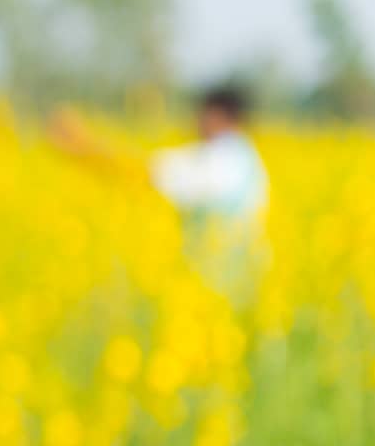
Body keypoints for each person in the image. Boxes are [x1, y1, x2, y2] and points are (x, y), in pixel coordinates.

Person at [48, 84, 269, 306]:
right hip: (233, 289)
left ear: (216, 116)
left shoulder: (222, 161)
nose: (194, 122)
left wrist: (82, 147)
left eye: (200, 114)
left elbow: (147, 174)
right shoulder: (244, 157)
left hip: (220, 291)